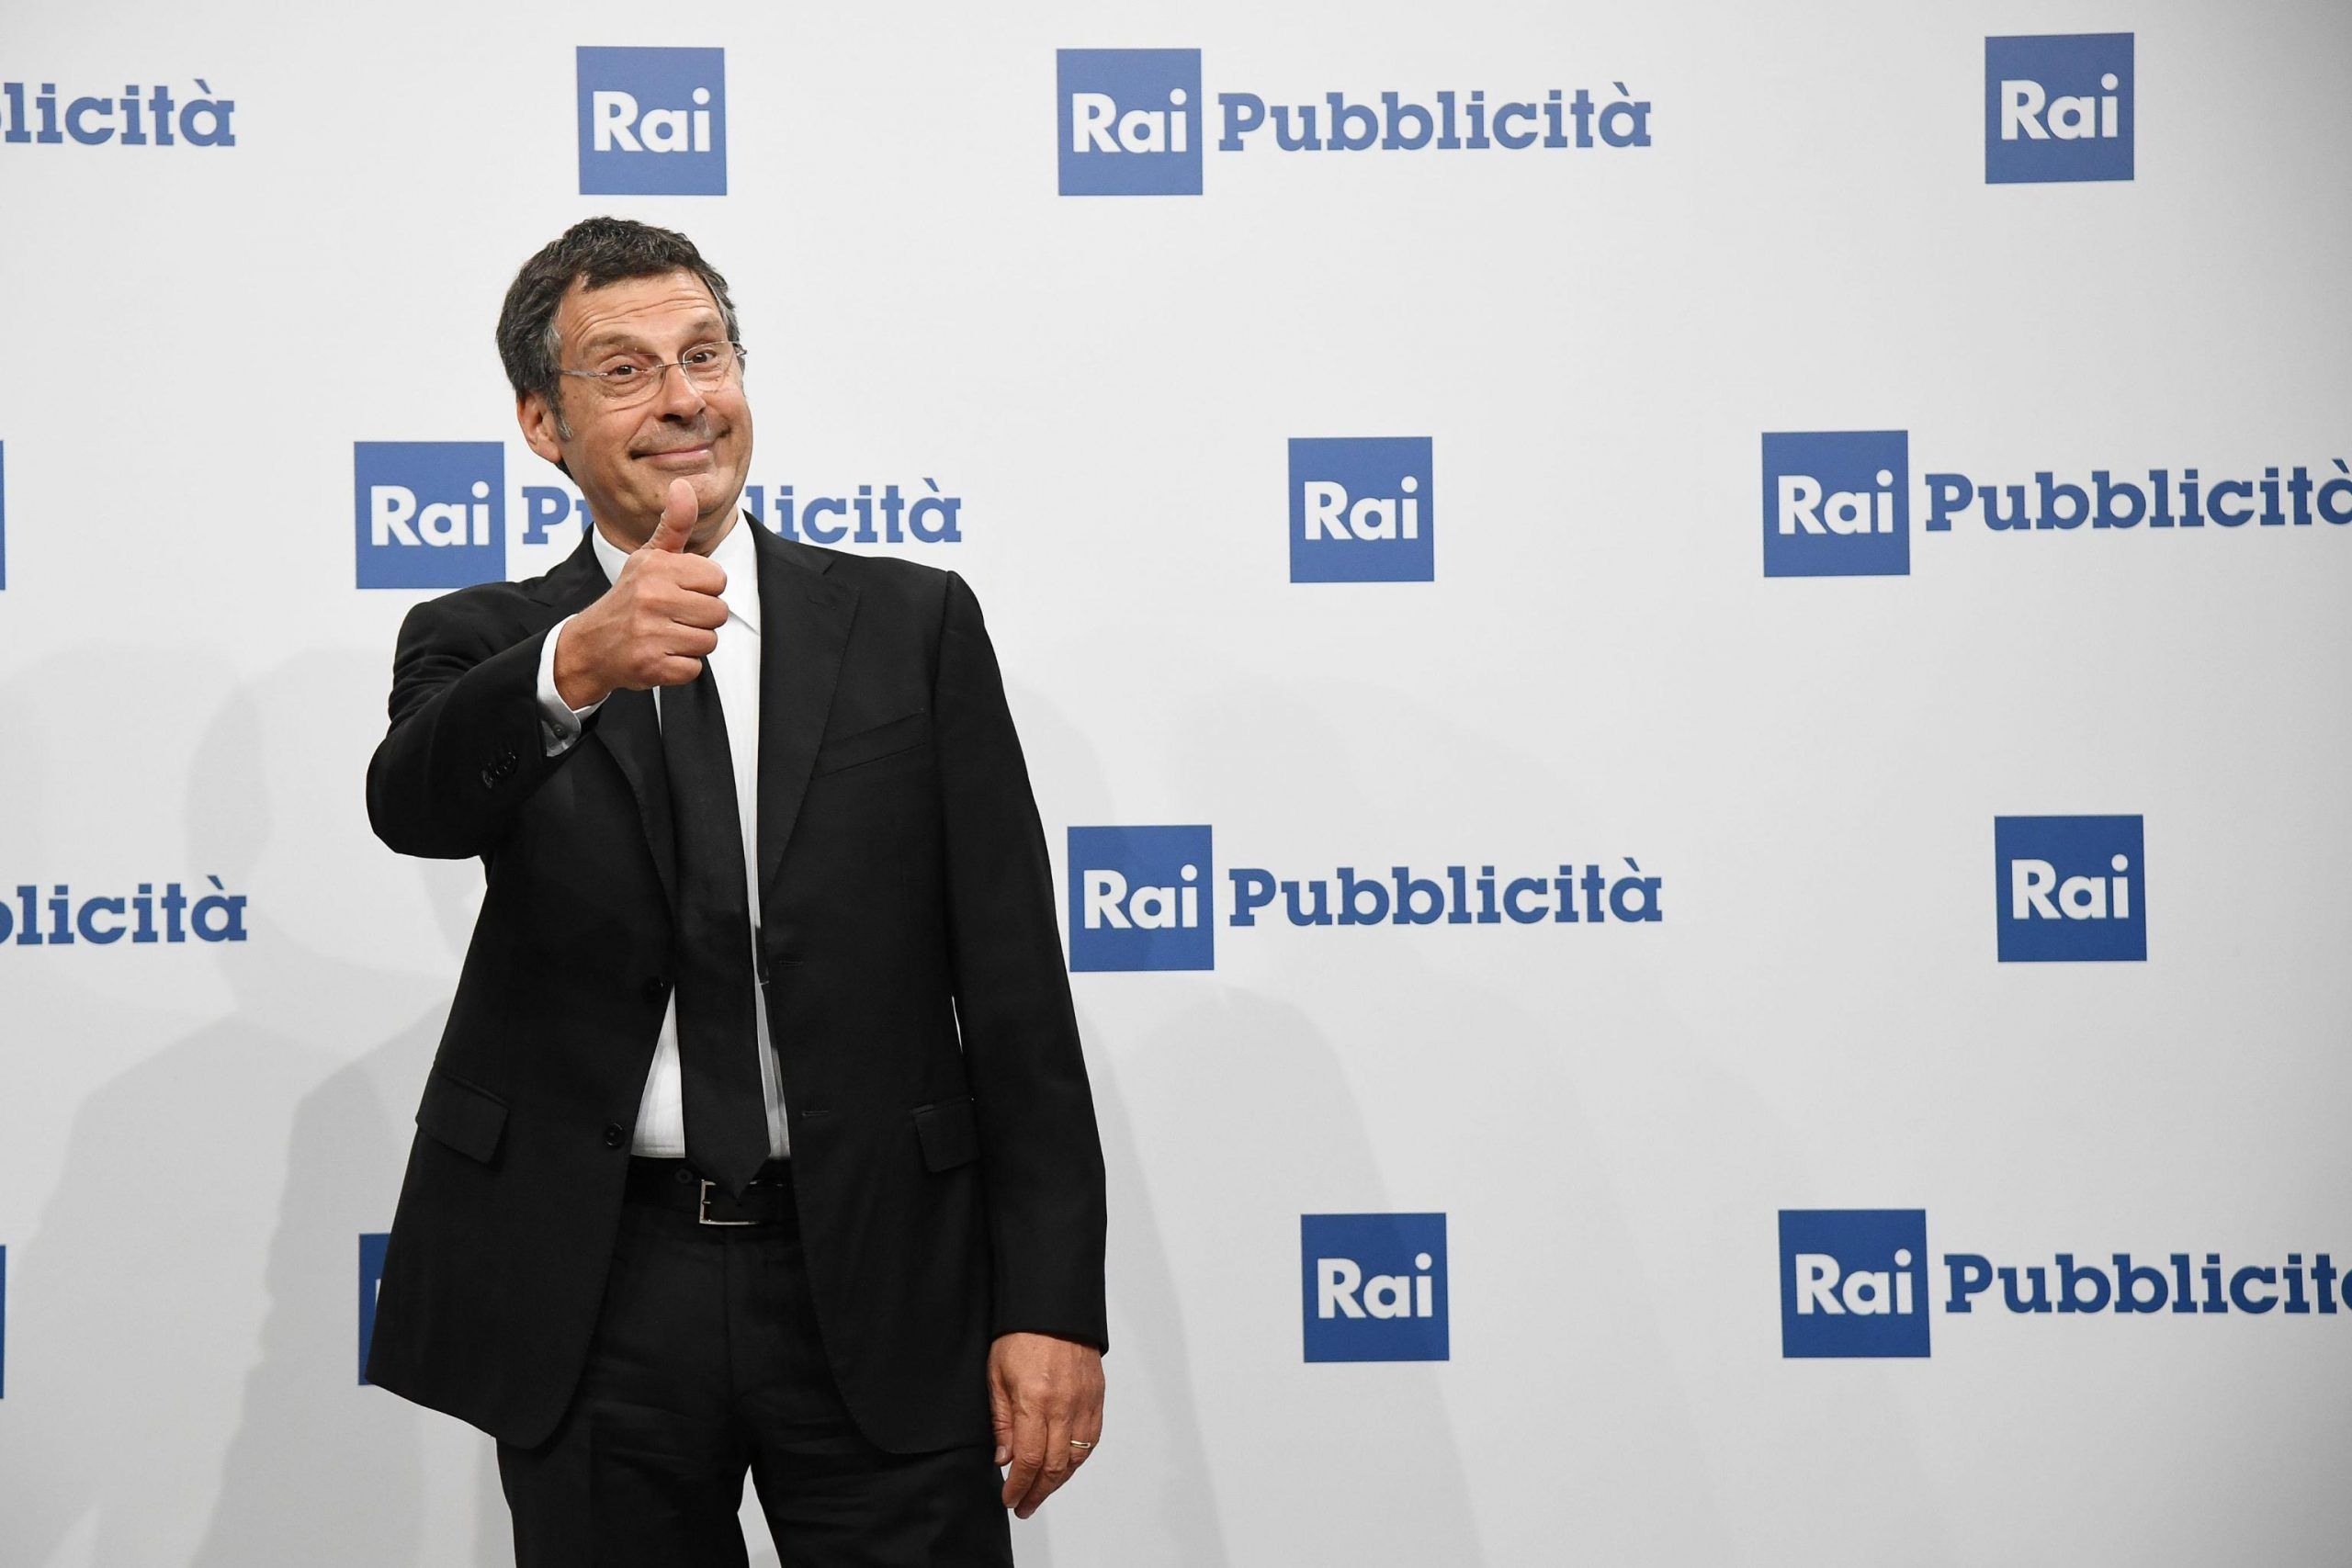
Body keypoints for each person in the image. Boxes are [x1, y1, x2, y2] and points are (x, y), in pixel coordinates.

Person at [362, 216, 1108, 1565]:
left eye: (705, 355)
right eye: (626, 369)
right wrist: (575, 666)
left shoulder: (912, 626)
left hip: (879, 1263)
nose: (683, 397)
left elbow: (1014, 991)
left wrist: (1051, 1301)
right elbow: (413, 805)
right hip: (600, 1287)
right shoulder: (486, 644)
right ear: (542, 423)